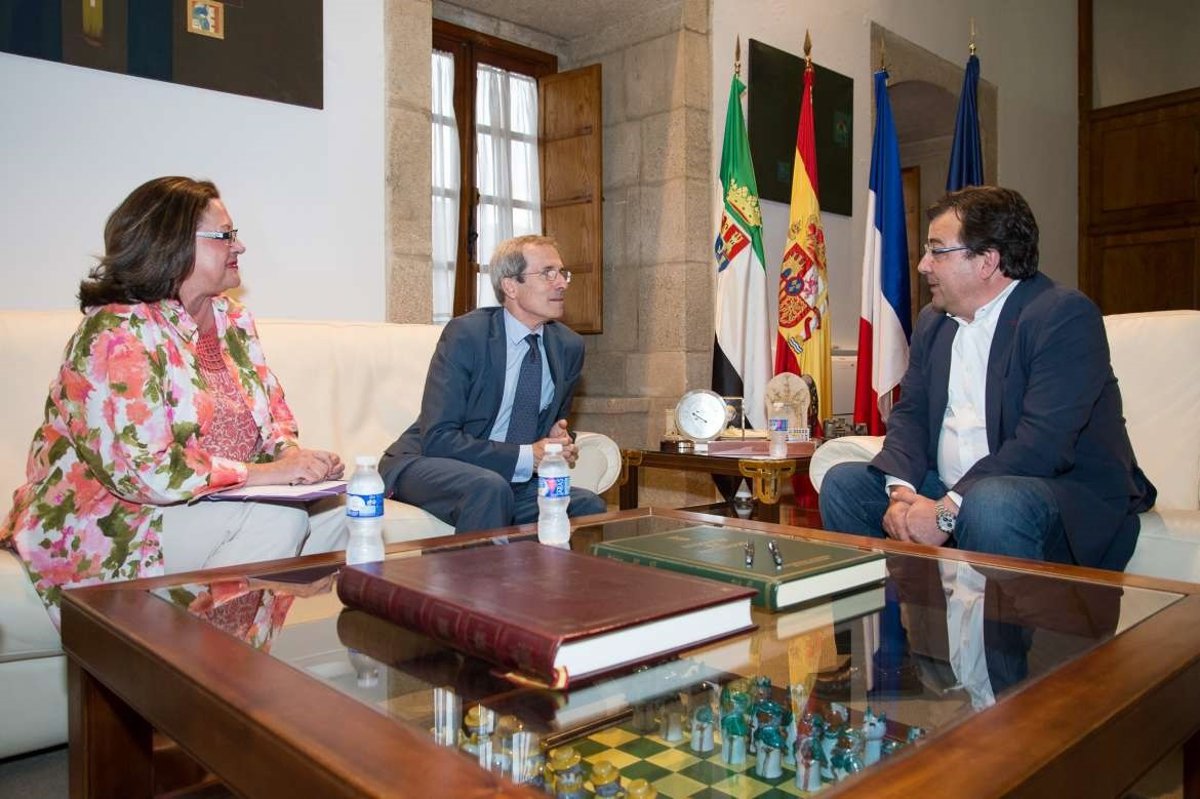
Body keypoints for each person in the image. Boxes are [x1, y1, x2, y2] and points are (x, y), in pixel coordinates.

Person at [1, 176, 346, 626]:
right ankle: (205, 662)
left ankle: (246, 645)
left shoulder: (232, 320)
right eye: (226, 235)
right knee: (277, 522)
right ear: (173, 244)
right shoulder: (116, 333)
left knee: (343, 513)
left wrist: (294, 459)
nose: (240, 246)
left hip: (210, 507)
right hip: (117, 520)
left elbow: (273, 417)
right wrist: (268, 474)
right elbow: (145, 472)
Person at [820, 186, 1156, 570]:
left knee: (991, 504)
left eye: (937, 251)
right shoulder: (933, 321)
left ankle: (1010, 613)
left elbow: (1043, 444)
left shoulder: (1062, 316)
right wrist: (900, 495)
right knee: (844, 484)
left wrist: (946, 513)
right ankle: (895, 606)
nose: (923, 265)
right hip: (957, 487)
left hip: (1056, 489)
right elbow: (910, 415)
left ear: (987, 261)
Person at [379, 234, 606, 533]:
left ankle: (540, 568)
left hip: (506, 477)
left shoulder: (569, 346)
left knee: (587, 505)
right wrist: (527, 456)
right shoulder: (467, 335)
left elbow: (554, 425)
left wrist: (558, 440)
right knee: (489, 487)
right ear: (510, 286)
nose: (562, 283)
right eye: (547, 273)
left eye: (562, 273)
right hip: (425, 461)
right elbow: (439, 437)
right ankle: (472, 567)